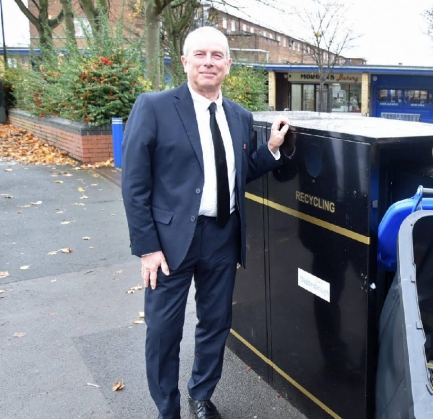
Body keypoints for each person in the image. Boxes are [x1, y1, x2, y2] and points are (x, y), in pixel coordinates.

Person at [121, 26, 290, 419]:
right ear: (184, 61)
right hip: (168, 243)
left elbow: (236, 172)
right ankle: (168, 408)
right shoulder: (154, 107)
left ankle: (201, 394)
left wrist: (269, 151)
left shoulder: (239, 116)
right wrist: (147, 247)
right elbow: (134, 184)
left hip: (222, 236)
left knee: (215, 323)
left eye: (217, 55)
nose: (209, 62)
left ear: (228, 65)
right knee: (163, 332)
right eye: (200, 54)